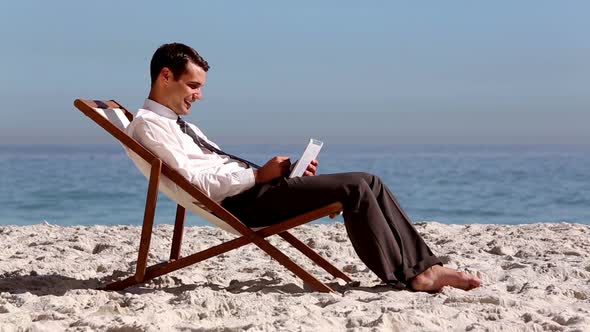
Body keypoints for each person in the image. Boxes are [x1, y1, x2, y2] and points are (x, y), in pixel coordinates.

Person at [126, 42, 481, 292]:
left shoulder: (176, 124)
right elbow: (195, 182)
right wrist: (257, 175)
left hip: (251, 191)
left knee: (369, 182)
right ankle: (412, 275)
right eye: (193, 85)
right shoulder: (149, 126)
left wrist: (283, 177)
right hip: (240, 203)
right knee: (356, 187)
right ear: (166, 76)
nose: (198, 95)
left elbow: (209, 169)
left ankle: (425, 267)